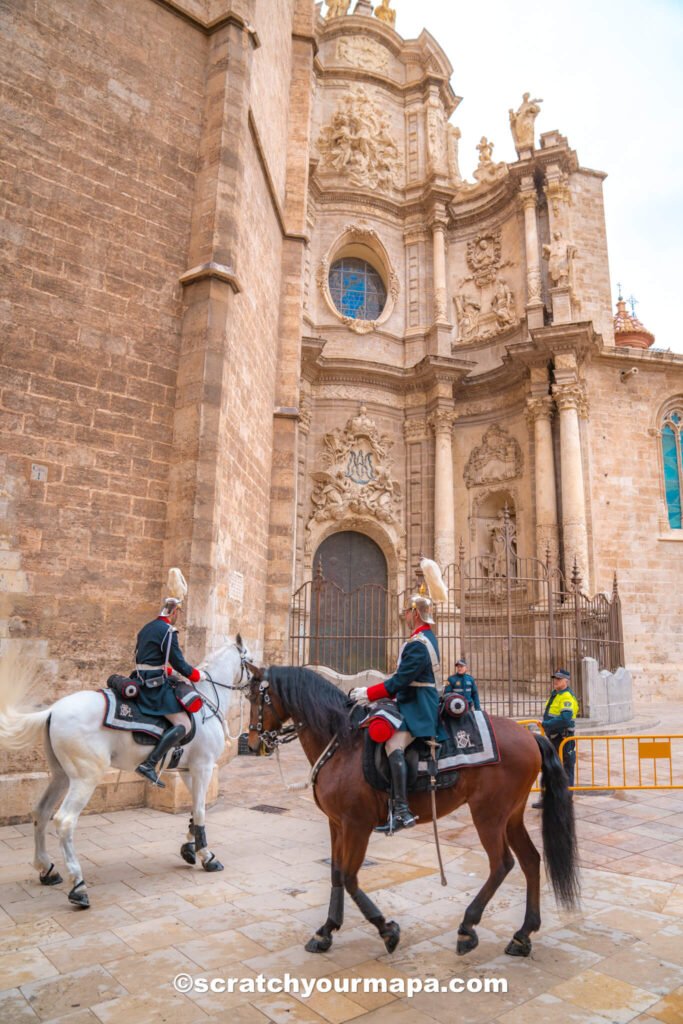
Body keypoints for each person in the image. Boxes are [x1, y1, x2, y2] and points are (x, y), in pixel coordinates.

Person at [350, 589, 440, 833]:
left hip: (418, 705)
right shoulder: (423, 638)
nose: (405, 616)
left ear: (415, 614)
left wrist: (368, 693)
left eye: (407, 612)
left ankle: (402, 810)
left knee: (393, 744)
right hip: (412, 698)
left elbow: (400, 681)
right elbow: (401, 679)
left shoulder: (418, 645)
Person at [132, 569, 205, 788]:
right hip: (154, 688)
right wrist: (198, 675)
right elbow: (180, 664)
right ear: (174, 612)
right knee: (183, 723)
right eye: (178, 615)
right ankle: (149, 764)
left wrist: (165, 671)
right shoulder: (168, 631)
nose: (178, 619)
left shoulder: (147, 628)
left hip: (140, 678)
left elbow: (144, 657)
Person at [532, 668, 579, 808]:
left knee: (566, 768)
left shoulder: (566, 697)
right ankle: (546, 798)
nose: (556, 681)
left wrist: (546, 724)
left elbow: (565, 719)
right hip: (553, 738)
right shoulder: (556, 694)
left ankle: (566, 799)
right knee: (548, 768)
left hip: (563, 739)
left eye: (559, 679)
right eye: (555, 678)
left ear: (566, 681)